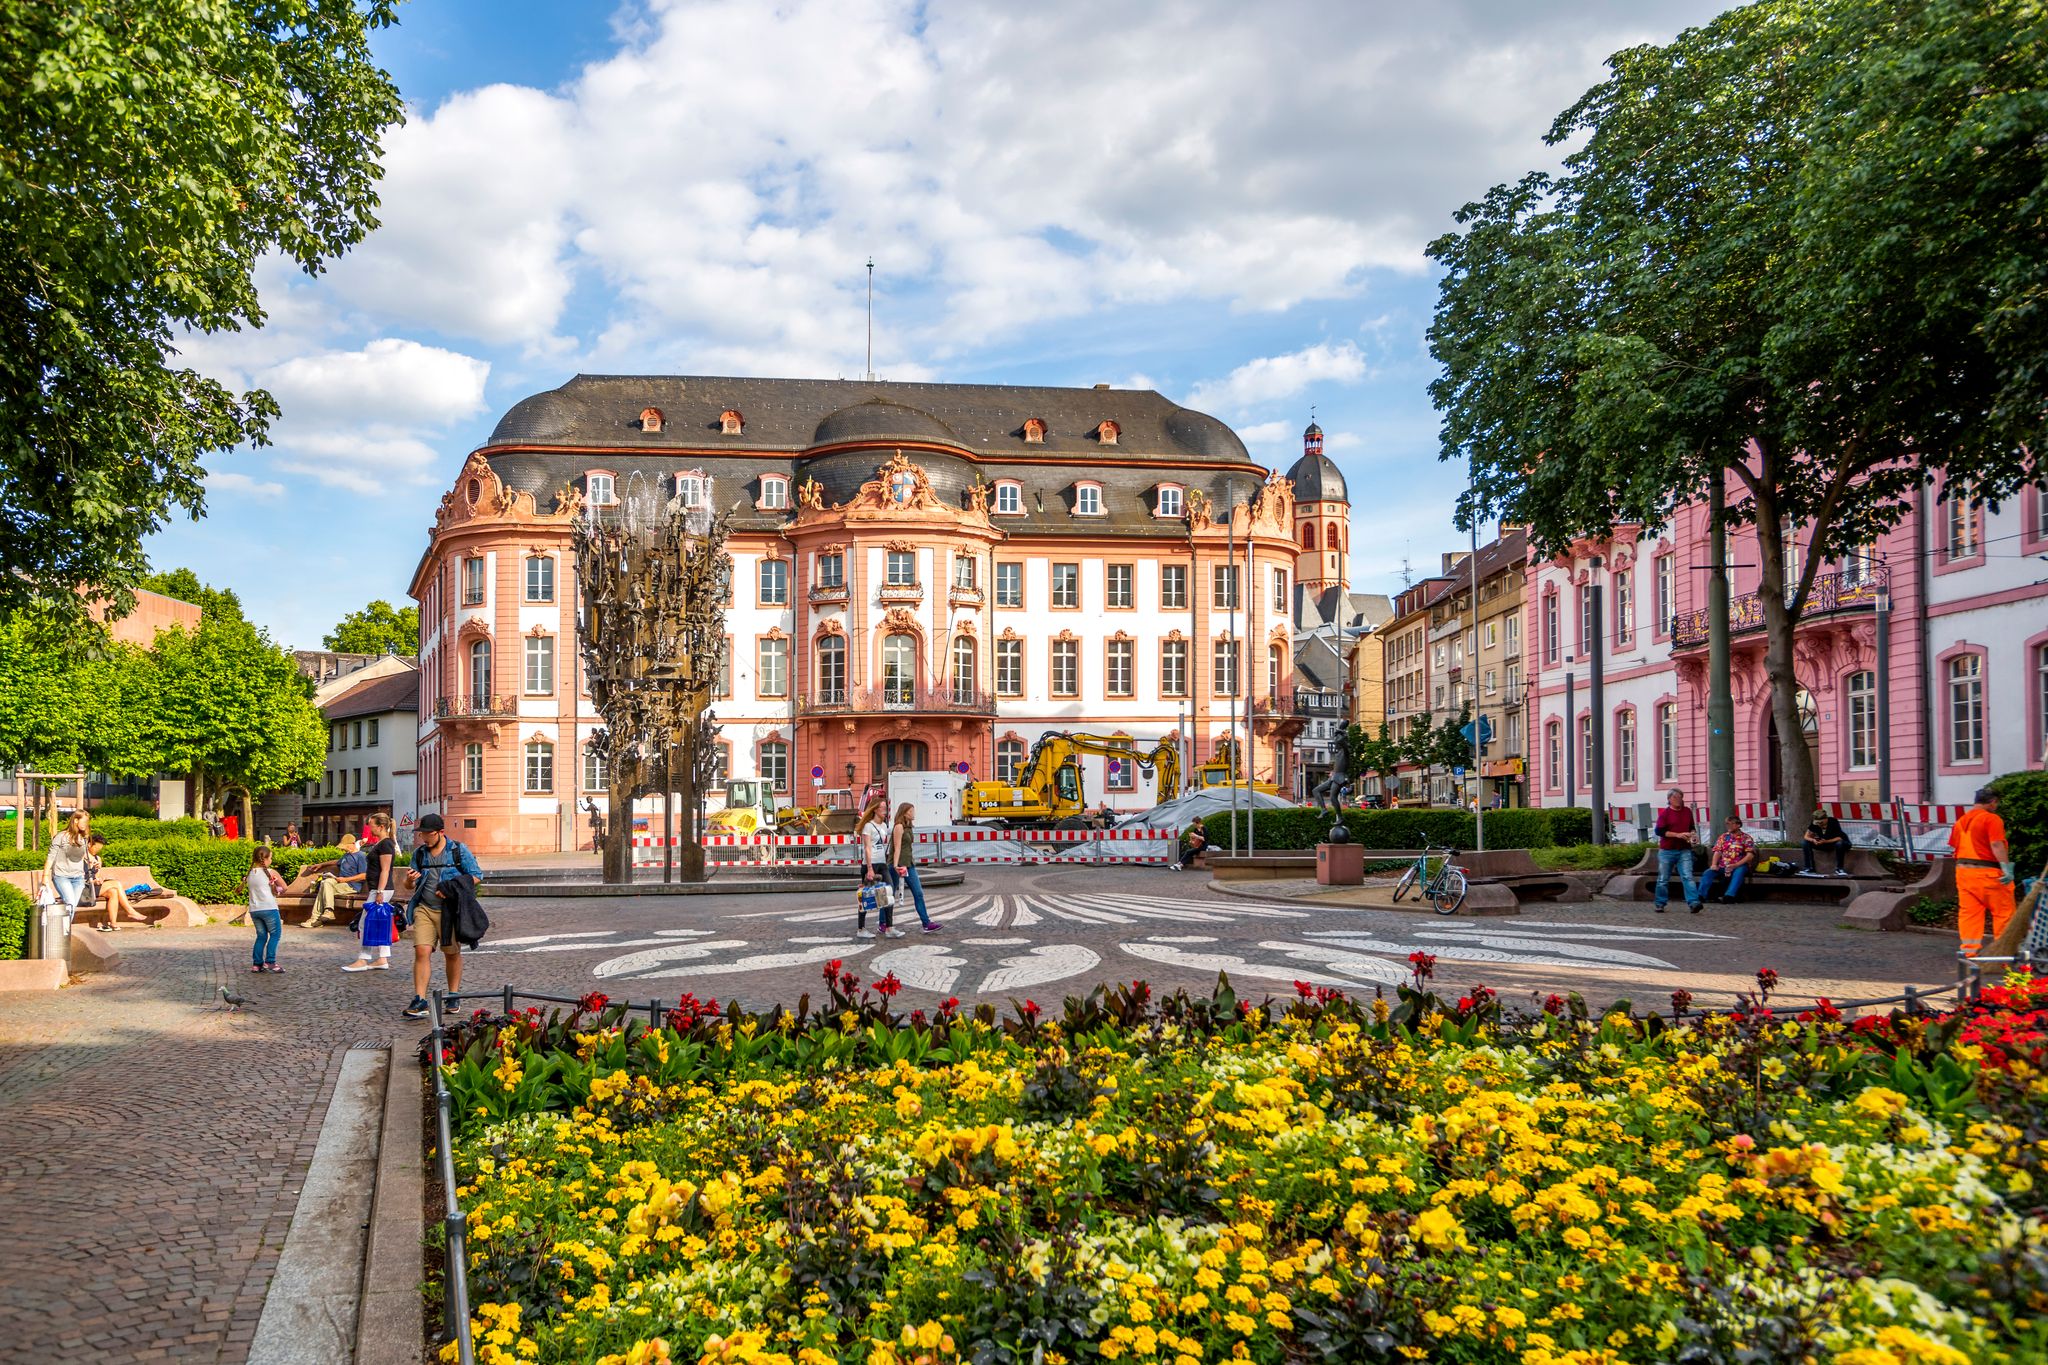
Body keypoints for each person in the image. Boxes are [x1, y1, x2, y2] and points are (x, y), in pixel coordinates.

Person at [400, 813, 484, 1020]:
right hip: (425, 909)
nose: (424, 838)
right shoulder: (420, 855)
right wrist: (410, 881)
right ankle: (420, 999)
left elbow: (476, 876)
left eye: (428, 834)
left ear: (440, 833)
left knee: (451, 953)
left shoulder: (457, 851)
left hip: (450, 911)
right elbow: (408, 885)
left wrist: (451, 888)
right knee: (422, 951)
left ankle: (453, 994)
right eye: (422, 834)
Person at [1951, 786, 2017, 958]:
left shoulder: (1961, 821)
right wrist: (2006, 868)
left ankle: (1969, 952)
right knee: (2003, 913)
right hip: (1988, 873)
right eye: (1997, 803)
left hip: (1963, 873)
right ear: (1993, 802)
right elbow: (1996, 844)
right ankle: (2003, 953)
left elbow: (1955, 848)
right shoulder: (1991, 819)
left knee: (1969, 913)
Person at [888, 802, 941, 935]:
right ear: (905, 812)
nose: (913, 813)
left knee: (918, 893)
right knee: (890, 895)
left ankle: (926, 923)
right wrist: (895, 865)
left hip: (909, 864)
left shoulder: (909, 827)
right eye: (911, 811)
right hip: (898, 865)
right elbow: (897, 847)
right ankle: (883, 922)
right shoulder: (898, 827)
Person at [1651, 788, 1704, 914]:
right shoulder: (1665, 814)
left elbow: (1691, 827)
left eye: (1680, 797)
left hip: (1684, 849)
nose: (1679, 800)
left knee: (1687, 876)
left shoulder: (1687, 811)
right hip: (1667, 850)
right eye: (1676, 798)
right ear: (1669, 799)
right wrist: (1677, 835)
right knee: (1663, 878)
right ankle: (1660, 903)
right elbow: (1659, 831)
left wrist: (1692, 835)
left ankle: (1694, 902)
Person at [83, 833, 142, 931]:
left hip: (93, 886)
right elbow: (77, 877)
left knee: (113, 891)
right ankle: (129, 910)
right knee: (116, 883)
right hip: (83, 888)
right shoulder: (81, 857)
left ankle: (113, 923)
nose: (97, 851)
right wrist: (90, 871)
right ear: (89, 844)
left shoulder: (98, 859)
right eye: (96, 848)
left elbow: (96, 877)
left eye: (99, 849)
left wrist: (98, 877)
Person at [309, 833, 368, 928]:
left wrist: (345, 879)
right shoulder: (346, 855)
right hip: (340, 882)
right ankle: (323, 915)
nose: (343, 848)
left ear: (353, 844)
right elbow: (337, 862)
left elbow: (364, 875)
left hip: (351, 885)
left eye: (345, 846)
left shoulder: (361, 856)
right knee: (325, 882)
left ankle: (316, 918)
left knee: (325, 886)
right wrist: (321, 865)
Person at [1697, 815, 1759, 905]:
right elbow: (1717, 852)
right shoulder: (1723, 837)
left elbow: (1750, 856)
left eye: (1731, 824)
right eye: (1727, 824)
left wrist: (1736, 865)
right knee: (1708, 872)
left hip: (1739, 865)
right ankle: (1701, 896)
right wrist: (1714, 864)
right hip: (1723, 866)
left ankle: (1729, 896)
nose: (1728, 826)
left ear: (1738, 825)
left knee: (1740, 871)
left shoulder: (1746, 838)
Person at [42, 810, 92, 918]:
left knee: (71, 906)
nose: (86, 825)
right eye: (84, 822)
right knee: (70, 904)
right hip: (61, 876)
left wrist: (90, 860)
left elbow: (80, 855)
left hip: (78, 877)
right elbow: (51, 856)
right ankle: (63, 931)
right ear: (75, 820)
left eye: (87, 822)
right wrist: (45, 876)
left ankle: (64, 931)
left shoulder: (83, 838)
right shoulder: (61, 836)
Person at [247, 846, 285, 972]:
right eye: (271, 857)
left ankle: (257, 964)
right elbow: (285, 887)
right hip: (269, 908)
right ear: (266, 858)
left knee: (261, 936)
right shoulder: (271, 872)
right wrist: (277, 889)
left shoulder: (249, 873)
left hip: (254, 909)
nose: (272, 860)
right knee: (275, 935)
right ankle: (270, 962)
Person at [1800, 809, 1851, 876]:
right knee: (1805, 843)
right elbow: (1806, 836)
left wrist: (1826, 841)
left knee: (1840, 843)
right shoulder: (1814, 824)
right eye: (1817, 823)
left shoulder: (1833, 822)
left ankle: (1839, 868)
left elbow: (1839, 838)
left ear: (1826, 819)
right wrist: (1813, 840)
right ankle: (1809, 868)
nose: (1820, 825)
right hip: (1823, 843)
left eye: (1821, 823)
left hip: (1835, 842)